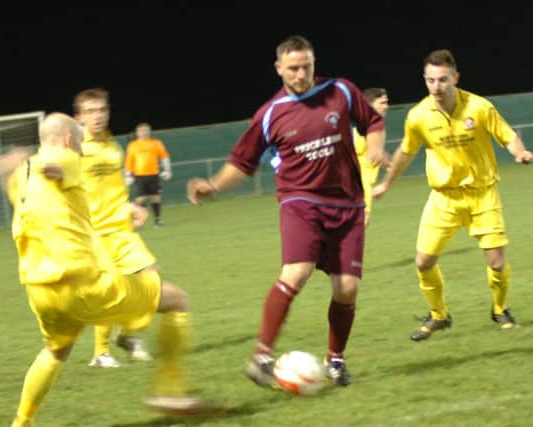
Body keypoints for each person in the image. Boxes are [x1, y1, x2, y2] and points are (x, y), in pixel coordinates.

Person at [187, 35, 386, 387]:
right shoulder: (270, 114)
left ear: (314, 62)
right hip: (300, 201)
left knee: (347, 289)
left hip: (348, 203)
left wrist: (373, 148)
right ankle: (262, 357)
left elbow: (372, 122)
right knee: (297, 272)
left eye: (306, 66)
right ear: (279, 68)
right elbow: (242, 162)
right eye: (293, 68)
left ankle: (336, 361)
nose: (300, 74)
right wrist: (214, 186)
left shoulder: (341, 91)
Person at [0, 113, 210, 427]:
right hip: (79, 285)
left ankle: (21, 423)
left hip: (40, 292)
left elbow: (30, 184)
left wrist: (12, 168)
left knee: (56, 351)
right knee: (177, 301)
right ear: (69, 139)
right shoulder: (66, 157)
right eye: (78, 141)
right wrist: (53, 164)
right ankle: (171, 390)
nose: (81, 148)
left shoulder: (22, 174)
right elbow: (58, 164)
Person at [372, 49, 533, 341]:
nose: (436, 87)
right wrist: (386, 184)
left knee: (497, 262)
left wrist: (520, 152)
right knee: (423, 262)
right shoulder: (419, 116)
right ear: (425, 80)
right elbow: (404, 154)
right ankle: (439, 316)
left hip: (482, 194)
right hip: (443, 199)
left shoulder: (479, 107)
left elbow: (507, 135)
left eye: (443, 80)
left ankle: (500, 309)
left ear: (455, 78)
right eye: (430, 80)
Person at [72, 88, 157, 367]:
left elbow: (116, 188)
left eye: (102, 110)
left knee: (150, 279)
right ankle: (101, 353)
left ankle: (128, 335)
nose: (97, 116)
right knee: (110, 290)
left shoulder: (114, 147)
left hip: (121, 229)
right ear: (79, 117)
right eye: (90, 111)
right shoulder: (73, 148)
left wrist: (131, 206)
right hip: (93, 232)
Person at [353, 88, 389, 225]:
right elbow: (376, 155)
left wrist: (390, 167)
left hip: (364, 182)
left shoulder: (374, 125)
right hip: (357, 182)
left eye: (386, 102)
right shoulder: (364, 125)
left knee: (359, 222)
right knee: (362, 221)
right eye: (381, 103)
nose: (386, 106)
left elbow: (376, 153)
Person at [124, 122, 172, 227]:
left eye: (146, 130)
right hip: (140, 176)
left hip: (153, 175)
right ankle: (135, 218)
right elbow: (129, 161)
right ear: (137, 133)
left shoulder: (156, 143)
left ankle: (158, 220)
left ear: (149, 132)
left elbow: (164, 157)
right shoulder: (133, 145)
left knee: (155, 197)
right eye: (141, 131)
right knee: (140, 198)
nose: (144, 133)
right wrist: (128, 175)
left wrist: (167, 170)